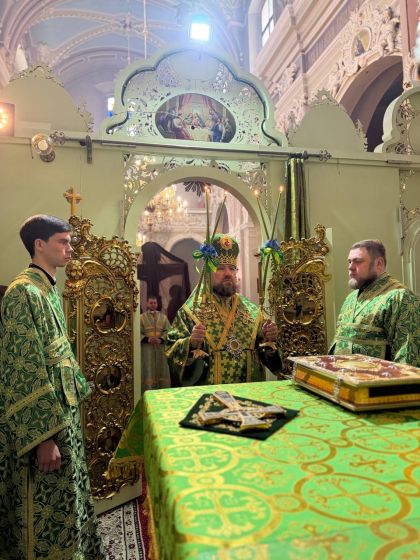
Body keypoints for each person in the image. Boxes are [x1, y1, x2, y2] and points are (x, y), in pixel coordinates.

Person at [0, 215, 104, 559]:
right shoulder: (23, 293)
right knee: (44, 506)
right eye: (63, 242)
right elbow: (23, 369)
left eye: (69, 241)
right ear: (39, 245)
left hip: (63, 416)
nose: (70, 249)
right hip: (45, 428)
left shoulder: (47, 288)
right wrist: (43, 438)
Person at [166, 234, 282, 386]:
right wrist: (191, 343)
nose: (228, 273)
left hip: (248, 396)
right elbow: (171, 351)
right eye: (220, 268)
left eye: (232, 268)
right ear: (208, 272)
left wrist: (270, 340)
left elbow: (271, 360)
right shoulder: (190, 312)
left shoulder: (253, 312)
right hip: (209, 397)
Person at [330, 239, 420, 366]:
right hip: (341, 376)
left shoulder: (400, 298)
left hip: (377, 378)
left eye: (358, 261)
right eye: (349, 262)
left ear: (379, 263)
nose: (350, 267)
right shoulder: (351, 298)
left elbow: (408, 355)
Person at [141, 295, 172, 391]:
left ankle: (163, 391)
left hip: (160, 348)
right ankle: (148, 390)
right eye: (151, 303)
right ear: (147, 304)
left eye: (154, 303)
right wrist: (147, 339)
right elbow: (137, 332)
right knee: (148, 368)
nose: (153, 304)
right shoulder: (141, 318)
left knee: (162, 368)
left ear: (157, 304)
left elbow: (169, 331)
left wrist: (161, 339)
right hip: (147, 349)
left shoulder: (163, 317)